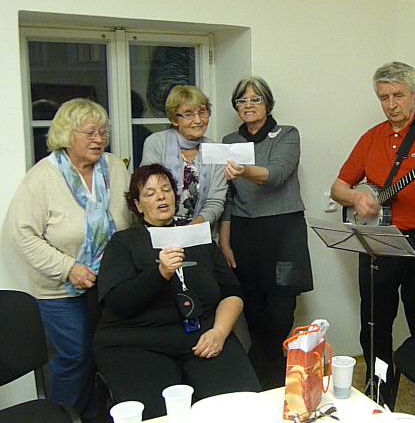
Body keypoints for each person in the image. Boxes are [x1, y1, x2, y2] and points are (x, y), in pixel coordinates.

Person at [330, 61, 415, 419]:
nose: (391, 104)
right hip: (378, 241)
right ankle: (379, 394)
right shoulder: (370, 138)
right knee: (374, 325)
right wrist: (356, 198)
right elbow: (338, 187)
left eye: (398, 95)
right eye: (383, 97)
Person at [94, 164, 260, 419]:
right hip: (140, 342)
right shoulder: (124, 243)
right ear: (138, 206)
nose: (161, 197)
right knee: (160, 415)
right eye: (149, 193)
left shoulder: (197, 237)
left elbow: (232, 291)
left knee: (244, 406)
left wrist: (219, 332)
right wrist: (160, 273)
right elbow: (118, 303)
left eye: (166, 190)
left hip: (203, 335)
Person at [7, 98, 132, 420]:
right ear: (66, 134)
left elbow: (131, 216)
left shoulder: (114, 167)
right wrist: (67, 268)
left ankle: (97, 416)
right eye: (90, 133)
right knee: (74, 357)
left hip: (110, 285)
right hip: (60, 291)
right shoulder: (42, 177)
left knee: (106, 354)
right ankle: (64, 418)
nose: (99, 139)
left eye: (103, 132)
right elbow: (21, 234)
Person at [219, 76, 314, 390]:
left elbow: (276, 174)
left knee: (280, 313)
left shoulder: (286, 134)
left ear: (268, 104)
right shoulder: (229, 140)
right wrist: (224, 240)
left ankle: (257, 379)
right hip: (245, 233)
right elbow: (227, 195)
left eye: (255, 99)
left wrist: (243, 169)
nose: (248, 105)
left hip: (284, 234)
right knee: (252, 311)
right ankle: (271, 386)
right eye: (242, 100)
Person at [141, 85, 226, 226]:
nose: (198, 120)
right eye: (188, 114)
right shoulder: (156, 143)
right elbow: (149, 192)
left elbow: (215, 201)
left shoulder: (216, 150)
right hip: (160, 229)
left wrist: (192, 229)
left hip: (202, 229)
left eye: (202, 112)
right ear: (174, 119)